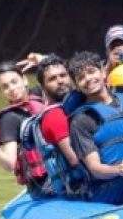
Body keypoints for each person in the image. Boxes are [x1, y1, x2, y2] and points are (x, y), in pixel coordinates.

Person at [65, 51, 123, 205]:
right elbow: (95, 168)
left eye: (91, 72)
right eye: (81, 78)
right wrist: (119, 169)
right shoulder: (81, 120)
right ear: (77, 86)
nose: (88, 79)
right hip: (106, 186)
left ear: (103, 72)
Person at [16, 54, 85, 199]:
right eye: (52, 79)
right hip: (79, 186)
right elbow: (74, 160)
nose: (60, 81)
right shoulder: (55, 116)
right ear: (43, 87)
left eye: (63, 75)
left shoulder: (73, 105)